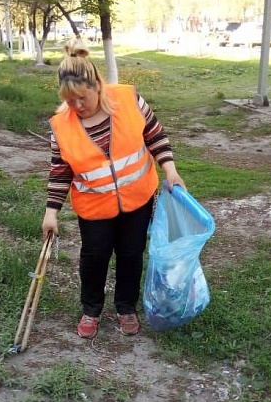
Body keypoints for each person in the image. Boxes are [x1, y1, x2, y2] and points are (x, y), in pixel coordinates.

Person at [41, 40, 186, 340]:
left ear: (98, 85)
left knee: (132, 254)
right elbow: (60, 171)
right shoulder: (61, 125)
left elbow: (155, 134)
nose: (78, 107)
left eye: (83, 98)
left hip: (138, 200)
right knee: (94, 258)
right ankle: (91, 309)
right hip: (94, 208)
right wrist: (51, 213)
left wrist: (170, 169)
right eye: (70, 101)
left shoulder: (129, 99)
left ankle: (126, 307)